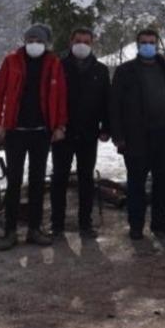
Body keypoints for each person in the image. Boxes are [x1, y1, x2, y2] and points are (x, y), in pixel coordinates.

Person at [0, 23, 67, 250]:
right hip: (15, 131)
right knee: (14, 181)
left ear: (46, 43)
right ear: (24, 41)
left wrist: (60, 125)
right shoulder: (11, 61)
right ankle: (10, 231)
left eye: (39, 41)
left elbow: (61, 96)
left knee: (37, 181)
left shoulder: (53, 63)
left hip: (41, 132)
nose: (34, 44)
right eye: (31, 40)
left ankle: (35, 229)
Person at [110, 27, 165, 240]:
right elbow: (114, 105)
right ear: (138, 45)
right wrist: (118, 136)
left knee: (163, 181)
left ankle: (160, 222)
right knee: (136, 184)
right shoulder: (125, 71)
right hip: (136, 137)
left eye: (152, 42)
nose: (148, 46)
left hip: (163, 135)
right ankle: (136, 225)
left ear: (157, 45)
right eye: (144, 42)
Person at [50, 27, 110, 238]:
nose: (81, 45)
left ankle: (85, 224)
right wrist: (54, 126)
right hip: (63, 132)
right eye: (78, 41)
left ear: (92, 44)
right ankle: (57, 225)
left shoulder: (100, 70)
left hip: (89, 133)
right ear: (71, 42)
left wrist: (106, 128)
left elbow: (106, 101)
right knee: (59, 178)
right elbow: (51, 99)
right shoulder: (58, 67)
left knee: (86, 179)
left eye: (86, 41)